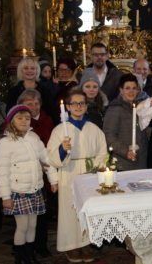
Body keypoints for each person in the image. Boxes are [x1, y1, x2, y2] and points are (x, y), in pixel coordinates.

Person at [47, 90, 107, 263]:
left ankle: (86, 243)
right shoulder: (60, 130)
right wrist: (62, 149)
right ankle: (72, 245)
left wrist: (96, 167)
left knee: (87, 209)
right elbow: (50, 156)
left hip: (89, 173)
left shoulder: (94, 129)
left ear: (86, 107)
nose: (78, 106)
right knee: (70, 210)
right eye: (74, 103)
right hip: (69, 172)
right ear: (67, 107)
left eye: (82, 103)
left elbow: (102, 152)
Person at [0, 105, 58, 264]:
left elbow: (46, 160)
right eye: (20, 118)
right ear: (11, 121)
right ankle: (19, 256)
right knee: (22, 227)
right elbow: (2, 172)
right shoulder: (5, 143)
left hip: (35, 189)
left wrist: (53, 180)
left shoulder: (34, 138)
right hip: (18, 191)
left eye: (27, 118)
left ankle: (30, 255)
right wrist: (5, 196)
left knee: (33, 226)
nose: (24, 121)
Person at [16, 89, 56, 257]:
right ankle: (23, 251)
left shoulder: (47, 120)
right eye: (29, 104)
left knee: (42, 215)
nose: (33, 107)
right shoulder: (16, 123)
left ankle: (41, 245)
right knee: (25, 220)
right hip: (24, 178)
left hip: (44, 174)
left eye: (36, 103)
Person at [103, 74, 148, 171]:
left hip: (141, 162)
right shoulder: (115, 109)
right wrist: (126, 151)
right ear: (121, 90)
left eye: (134, 88)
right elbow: (109, 136)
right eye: (127, 88)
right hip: (123, 163)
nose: (131, 91)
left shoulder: (139, 107)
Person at [6, 58, 56, 124]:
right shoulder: (14, 91)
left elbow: (51, 112)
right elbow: (10, 112)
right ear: (21, 71)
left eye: (32, 68)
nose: (29, 71)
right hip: (20, 126)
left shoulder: (45, 91)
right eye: (26, 68)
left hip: (41, 126)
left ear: (37, 71)